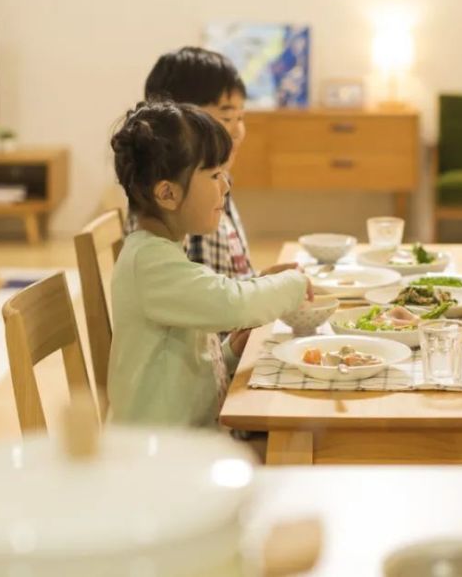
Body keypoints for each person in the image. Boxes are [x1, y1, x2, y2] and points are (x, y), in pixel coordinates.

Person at [108, 101, 311, 428]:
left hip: (187, 444)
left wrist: (230, 351)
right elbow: (232, 302)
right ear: (168, 194)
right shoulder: (149, 262)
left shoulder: (164, 251)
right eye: (215, 174)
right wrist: (294, 286)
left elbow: (181, 358)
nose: (226, 186)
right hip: (159, 457)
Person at [139, 46, 255, 280]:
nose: (238, 131)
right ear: (177, 120)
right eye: (226, 118)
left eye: (240, 117)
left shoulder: (218, 181)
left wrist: (262, 282)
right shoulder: (186, 198)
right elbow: (204, 301)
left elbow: (227, 283)